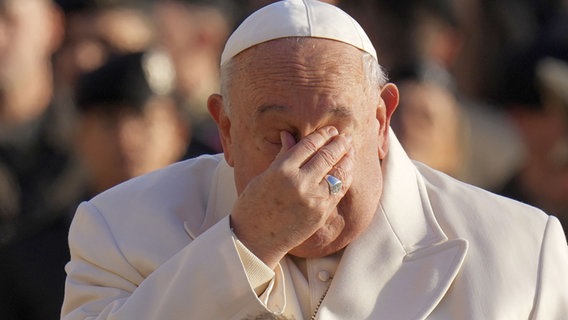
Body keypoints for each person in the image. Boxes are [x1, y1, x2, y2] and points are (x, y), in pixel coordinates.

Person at [61, 1, 568, 319]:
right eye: (278, 133)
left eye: (332, 131)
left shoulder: (521, 250)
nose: (304, 164)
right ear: (227, 130)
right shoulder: (117, 230)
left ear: (381, 120)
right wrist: (247, 244)